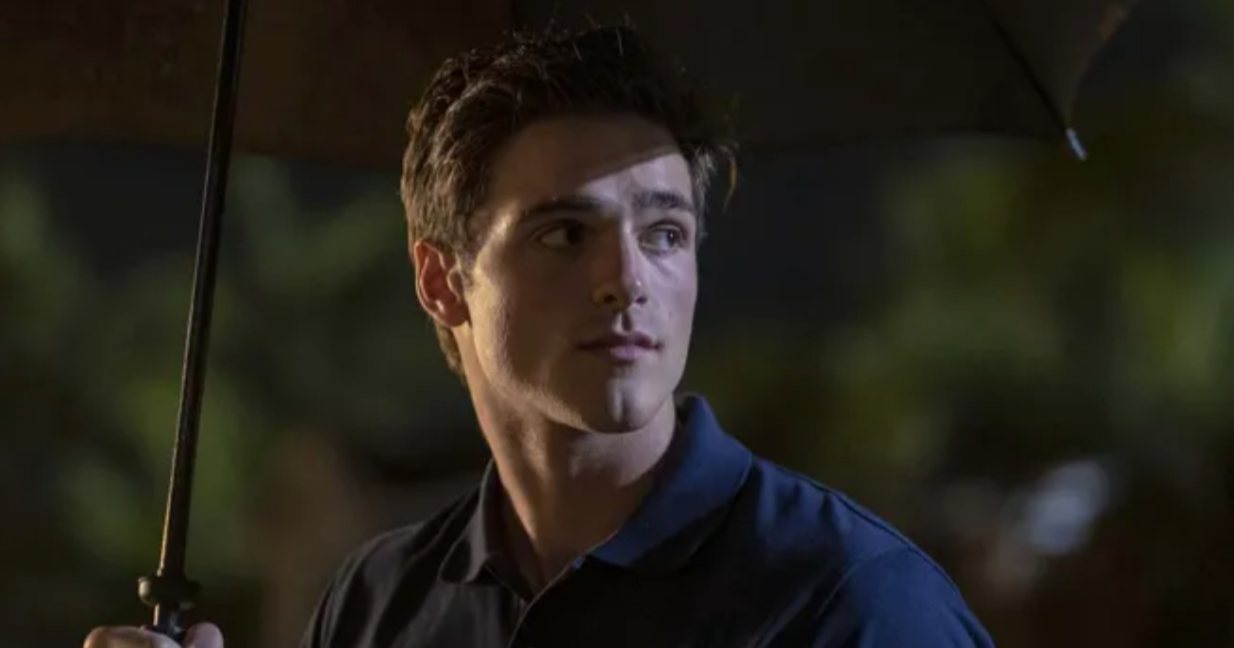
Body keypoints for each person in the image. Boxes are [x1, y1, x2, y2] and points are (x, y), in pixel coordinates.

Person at [85, 24, 995, 648]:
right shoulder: (379, 604)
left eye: (664, 232)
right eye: (564, 233)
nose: (626, 279)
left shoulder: (849, 601)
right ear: (443, 281)